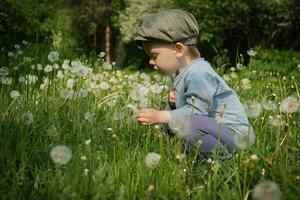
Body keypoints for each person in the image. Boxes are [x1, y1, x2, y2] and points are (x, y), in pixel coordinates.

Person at [133, 9, 255, 160]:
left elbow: (195, 113)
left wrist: (160, 116)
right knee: (180, 124)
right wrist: (174, 105)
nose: (151, 62)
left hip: (236, 136)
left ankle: (223, 161)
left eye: (154, 56)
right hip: (217, 131)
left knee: (189, 122)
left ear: (178, 50)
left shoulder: (198, 73)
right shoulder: (182, 74)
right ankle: (200, 158)